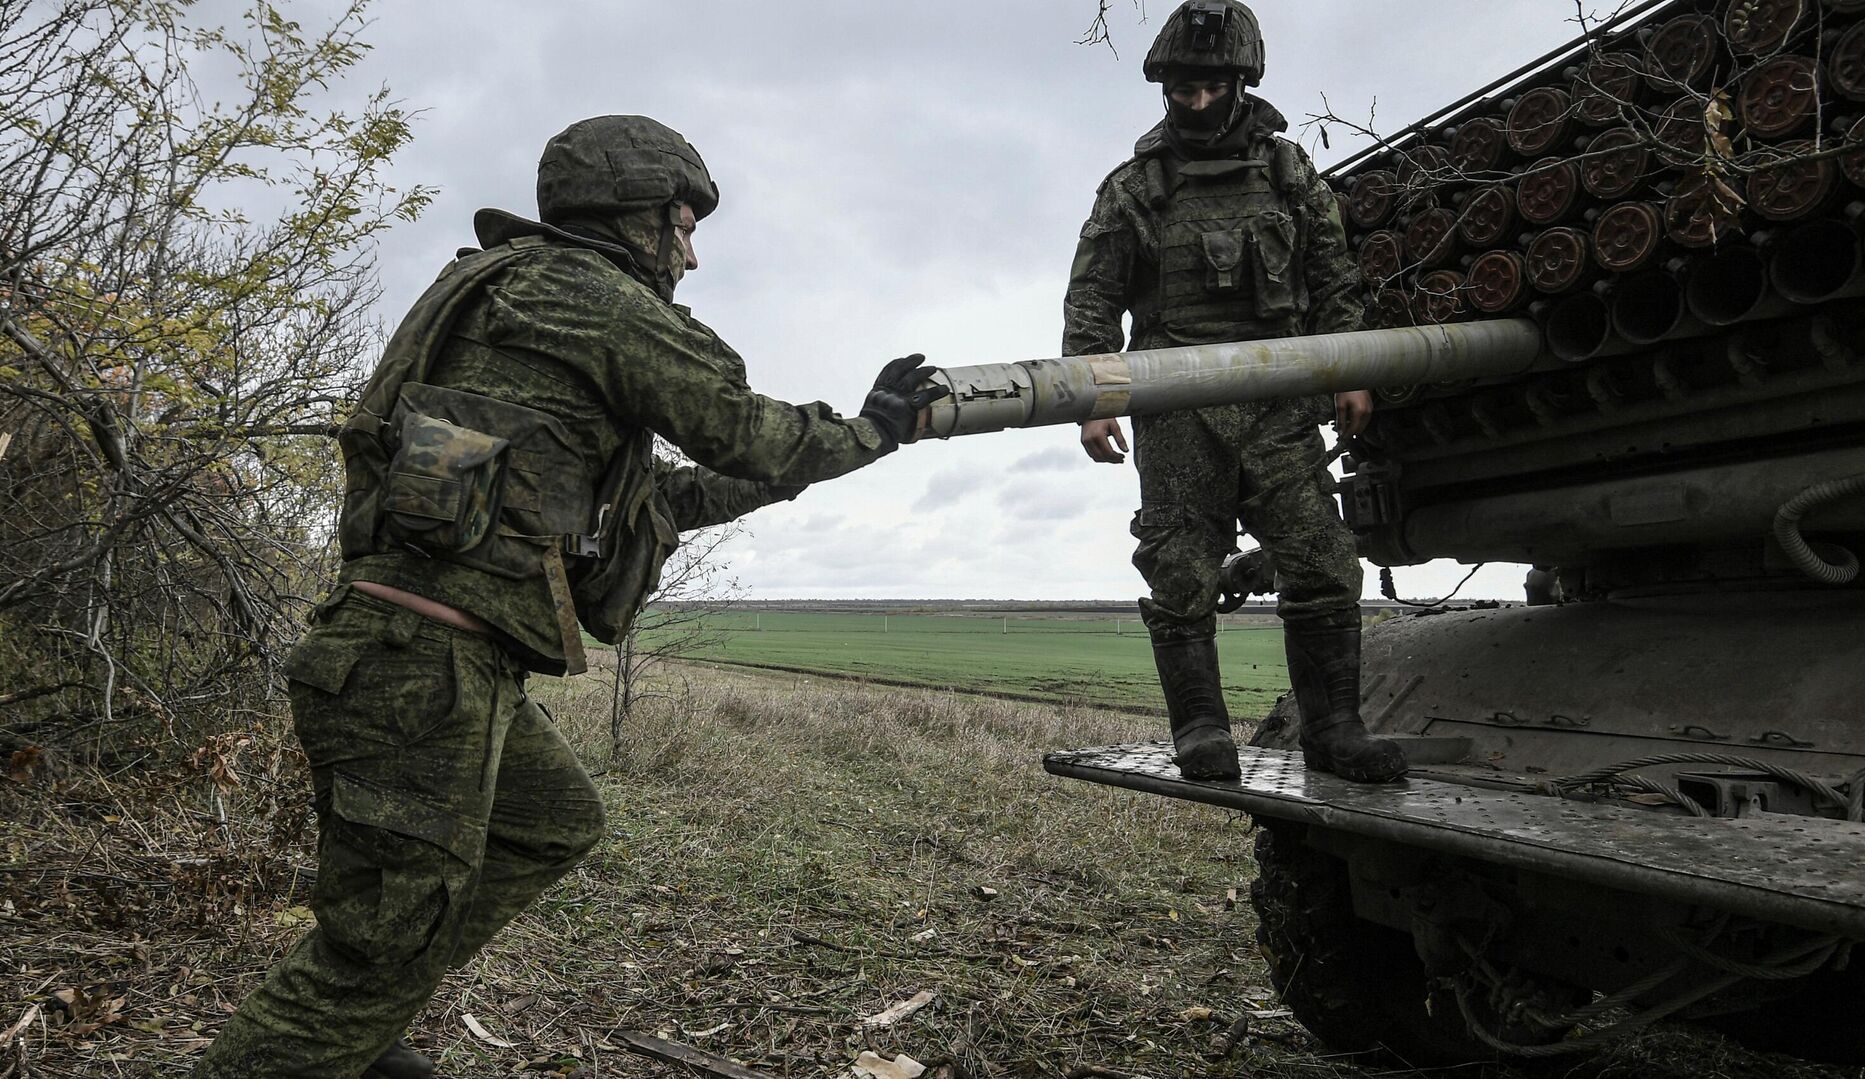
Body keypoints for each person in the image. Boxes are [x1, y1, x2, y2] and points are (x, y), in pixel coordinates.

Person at [192, 115, 947, 1079]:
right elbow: (748, 433)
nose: (692, 254)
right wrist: (870, 432)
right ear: (635, 218)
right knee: (368, 945)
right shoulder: (594, 302)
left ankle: (362, 1023)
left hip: (421, 661)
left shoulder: (501, 296)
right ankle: (347, 1017)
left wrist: (827, 459)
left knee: (551, 818)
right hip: (423, 671)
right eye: (683, 225)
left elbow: (665, 499)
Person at [1063, 0, 1405, 786]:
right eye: (1182, 86)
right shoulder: (1132, 190)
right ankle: (1202, 731)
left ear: (1242, 83)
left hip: (1280, 405)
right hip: (1176, 407)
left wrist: (1352, 367)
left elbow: (1332, 278)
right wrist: (1093, 394)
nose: (1195, 100)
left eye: (1211, 86)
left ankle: (1336, 731)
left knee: (1323, 562)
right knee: (1180, 570)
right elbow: (1091, 299)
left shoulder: (1289, 174)